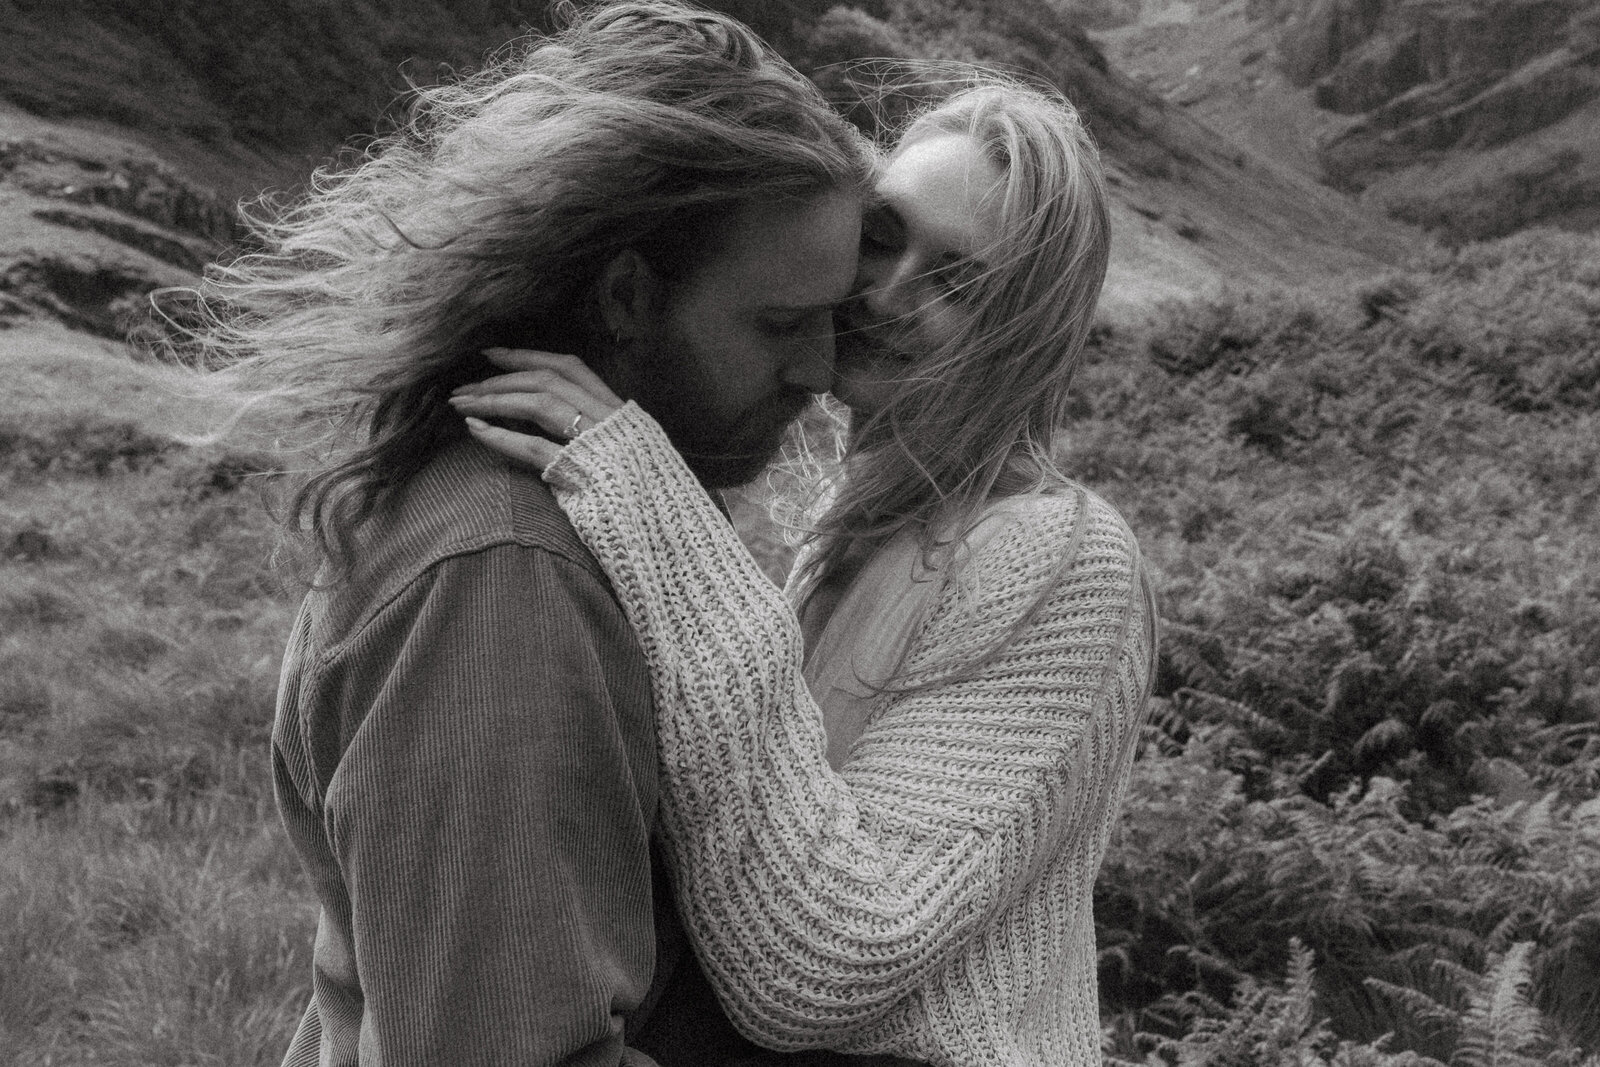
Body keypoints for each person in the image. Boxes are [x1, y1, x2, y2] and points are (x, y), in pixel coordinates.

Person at [174, 3, 875, 1064]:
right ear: (627, 296)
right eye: (779, 323)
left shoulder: (580, 521)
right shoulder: (504, 578)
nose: (820, 371)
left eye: (836, 318)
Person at [451, 75, 1159, 1066]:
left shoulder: (1062, 555)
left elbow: (823, 962)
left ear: (1023, 334)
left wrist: (649, 496)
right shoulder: (864, 519)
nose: (887, 292)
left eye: (957, 283)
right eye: (881, 235)